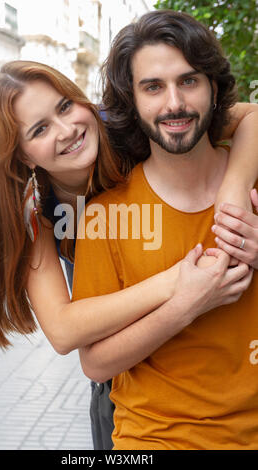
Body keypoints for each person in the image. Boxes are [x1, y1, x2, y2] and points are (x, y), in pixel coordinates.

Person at [0, 55, 258, 449]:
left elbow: (251, 116)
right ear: (23, 155)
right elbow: (65, 330)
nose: (67, 130)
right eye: (40, 129)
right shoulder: (35, 210)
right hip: (132, 364)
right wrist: (179, 286)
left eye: (66, 105)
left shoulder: (129, 123)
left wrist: (232, 190)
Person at [72, 10, 258, 450]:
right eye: (153, 87)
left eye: (189, 80)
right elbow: (96, 364)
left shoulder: (251, 182)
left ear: (214, 89)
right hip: (156, 439)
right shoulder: (105, 214)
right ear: (131, 101)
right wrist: (186, 305)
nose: (174, 103)